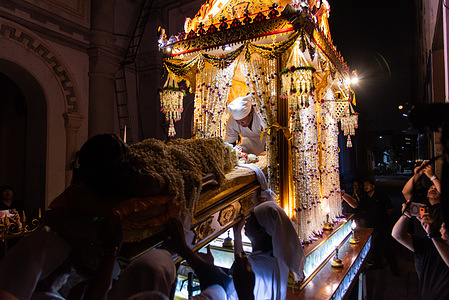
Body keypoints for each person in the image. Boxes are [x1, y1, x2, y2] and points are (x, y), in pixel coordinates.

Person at [233, 199, 306, 300]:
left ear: (261, 230)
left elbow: (241, 270)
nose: (246, 221)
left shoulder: (255, 267)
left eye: (251, 219)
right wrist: (237, 234)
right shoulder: (278, 257)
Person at [392, 203, 449, 299]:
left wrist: (433, 235)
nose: (442, 230)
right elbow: (397, 235)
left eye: (445, 228)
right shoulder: (431, 246)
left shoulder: (436, 241)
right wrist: (406, 215)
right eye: (442, 227)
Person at [348, 179, 399, 275]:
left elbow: (390, 210)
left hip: (382, 225)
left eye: (368, 184)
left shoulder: (381, 196)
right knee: (374, 246)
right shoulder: (364, 198)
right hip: (370, 226)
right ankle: (377, 264)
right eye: (364, 185)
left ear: (373, 186)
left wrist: (383, 218)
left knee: (387, 246)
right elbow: (359, 208)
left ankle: (394, 269)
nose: (366, 186)